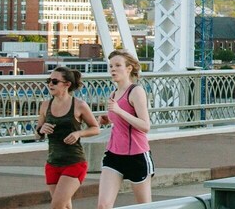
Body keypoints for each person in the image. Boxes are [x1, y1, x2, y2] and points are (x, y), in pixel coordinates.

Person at [97, 50, 154, 208]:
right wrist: (107, 119)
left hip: (136, 155)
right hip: (114, 155)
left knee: (144, 206)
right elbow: (120, 120)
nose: (113, 69)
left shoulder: (136, 91)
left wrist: (118, 111)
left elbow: (145, 126)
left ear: (129, 69)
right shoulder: (114, 93)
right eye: (110, 66)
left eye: (117, 65)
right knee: (103, 206)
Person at [38, 66, 101, 209]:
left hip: (74, 162)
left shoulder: (79, 105)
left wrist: (79, 133)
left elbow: (95, 128)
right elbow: (37, 133)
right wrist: (41, 130)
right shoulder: (45, 105)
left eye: (54, 81)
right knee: (65, 206)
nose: (50, 85)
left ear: (67, 84)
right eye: (49, 80)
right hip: (52, 163)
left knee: (57, 206)